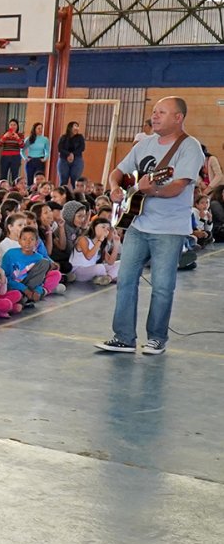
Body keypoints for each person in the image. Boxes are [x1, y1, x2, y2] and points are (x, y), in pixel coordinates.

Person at [97, 96, 204, 355]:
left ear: (178, 117)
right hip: (137, 224)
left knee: (163, 286)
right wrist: (115, 189)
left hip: (169, 229)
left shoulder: (189, 148)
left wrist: (152, 190)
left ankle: (157, 337)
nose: (154, 116)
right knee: (125, 280)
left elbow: (178, 186)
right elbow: (118, 172)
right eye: (154, 112)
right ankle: (123, 337)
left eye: (162, 113)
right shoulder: (144, 144)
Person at [70, 218, 120, 284]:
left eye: (108, 229)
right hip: (77, 271)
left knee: (121, 263)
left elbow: (110, 262)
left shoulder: (101, 243)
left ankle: (108, 278)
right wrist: (100, 240)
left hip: (90, 270)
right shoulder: (83, 239)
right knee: (100, 267)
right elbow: (88, 256)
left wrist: (116, 244)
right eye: (103, 227)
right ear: (94, 227)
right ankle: (110, 277)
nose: (105, 230)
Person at [57, 121, 85, 187]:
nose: (77, 128)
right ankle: (62, 194)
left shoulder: (80, 137)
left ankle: (75, 195)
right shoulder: (63, 137)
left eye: (78, 126)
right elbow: (60, 148)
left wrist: (73, 154)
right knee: (63, 180)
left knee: (75, 179)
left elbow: (82, 148)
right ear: (70, 127)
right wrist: (68, 154)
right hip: (63, 159)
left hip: (77, 159)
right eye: (75, 126)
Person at [21, 122, 50, 187]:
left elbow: (47, 150)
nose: (40, 130)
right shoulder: (29, 139)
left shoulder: (45, 139)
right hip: (31, 160)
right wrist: (25, 158)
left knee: (40, 180)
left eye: (41, 129)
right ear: (34, 129)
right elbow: (22, 151)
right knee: (30, 179)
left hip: (40, 160)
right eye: (38, 128)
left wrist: (45, 158)